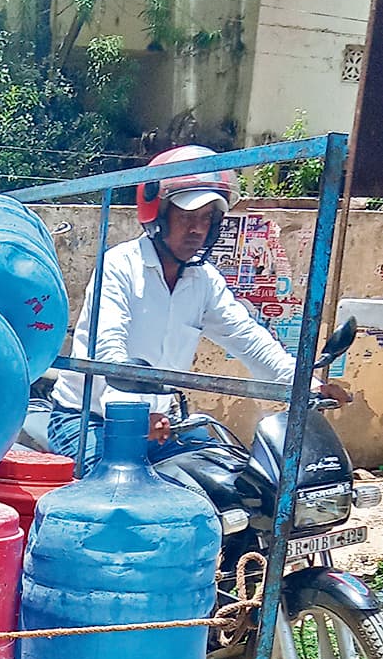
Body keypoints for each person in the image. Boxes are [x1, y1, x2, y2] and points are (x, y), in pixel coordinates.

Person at [48, 145, 350, 467]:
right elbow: (109, 350)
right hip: (89, 421)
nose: (197, 229)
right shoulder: (120, 267)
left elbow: (250, 340)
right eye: (186, 216)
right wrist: (135, 414)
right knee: (117, 503)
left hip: (163, 426)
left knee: (231, 482)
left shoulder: (203, 280)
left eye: (206, 218)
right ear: (159, 214)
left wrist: (308, 386)